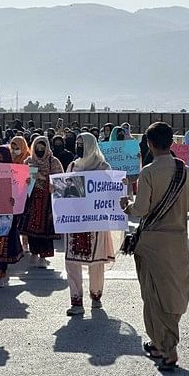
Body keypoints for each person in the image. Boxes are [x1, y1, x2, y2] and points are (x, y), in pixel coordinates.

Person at [121, 122, 189, 371]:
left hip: (152, 242)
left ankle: (168, 350)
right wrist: (174, 209)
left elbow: (141, 210)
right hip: (177, 242)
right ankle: (159, 343)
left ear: (150, 144)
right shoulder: (184, 170)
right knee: (174, 292)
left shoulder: (148, 172)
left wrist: (126, 204)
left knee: (154, 296)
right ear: (171, 143)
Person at [63, 133, 117, 316]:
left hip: (96, 222)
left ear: (91, 146)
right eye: (77, 144)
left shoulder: (103, 167)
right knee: (71, 261)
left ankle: (96, 296)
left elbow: (112, 194)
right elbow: (65, 191)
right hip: (74, 222)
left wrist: (120, 185)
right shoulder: (72, 166)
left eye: (81, 144)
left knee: (96, 262)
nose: (78, 147)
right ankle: (76, 301)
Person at [20, 136, 63, 268]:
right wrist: (26, 180)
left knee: (46, 230)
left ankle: (44, 256)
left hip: (47, 201)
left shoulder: (53, 162)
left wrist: (43, 177)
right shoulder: (28, 161)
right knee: (31, 228)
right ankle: (34, 252)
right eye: (37, 148)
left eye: (42, 148)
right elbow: (21, 180)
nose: (40, 151)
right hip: (31, 201)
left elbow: (60, 180)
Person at [0, 145, 23, 287]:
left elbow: (19, 193)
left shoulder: (14, 172)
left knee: (4, 244)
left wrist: (26, 183)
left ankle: (1, 274)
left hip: (7, 214)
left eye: (1, 158)